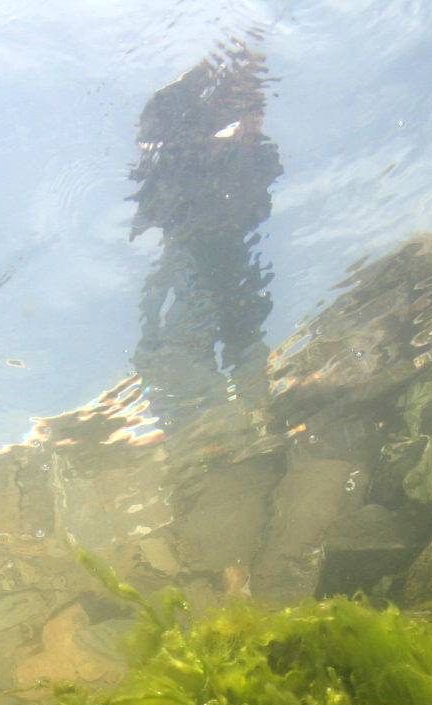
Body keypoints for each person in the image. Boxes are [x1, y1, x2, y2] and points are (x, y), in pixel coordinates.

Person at [128, 44, 281, 432]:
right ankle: (192, 433)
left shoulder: (261, 155)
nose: (254, 117)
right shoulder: (182, 139)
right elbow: (156, 119)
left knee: (250, 355)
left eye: (257, 106)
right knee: (180, 356)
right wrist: (212, 69)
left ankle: (260, 426)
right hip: (188, 260)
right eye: (244, 104)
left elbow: (255, 211)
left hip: (238, 264)